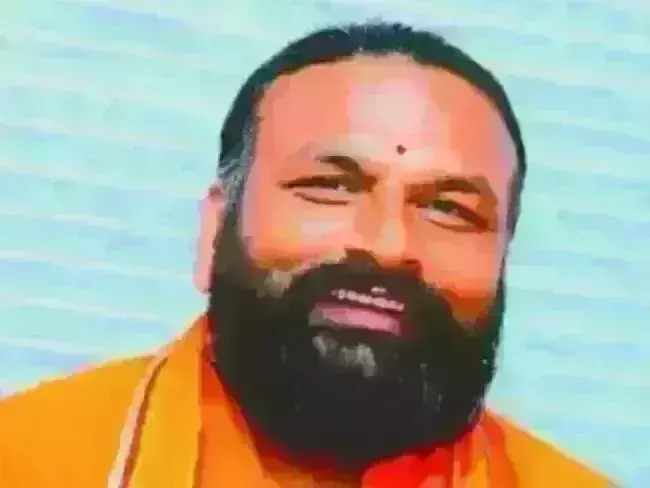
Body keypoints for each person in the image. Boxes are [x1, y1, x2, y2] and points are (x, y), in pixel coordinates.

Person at [0, 21, 612, 487]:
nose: (388, 245)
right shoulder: (26, 458)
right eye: (330, 187)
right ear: (213, 231)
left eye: (450, 210)